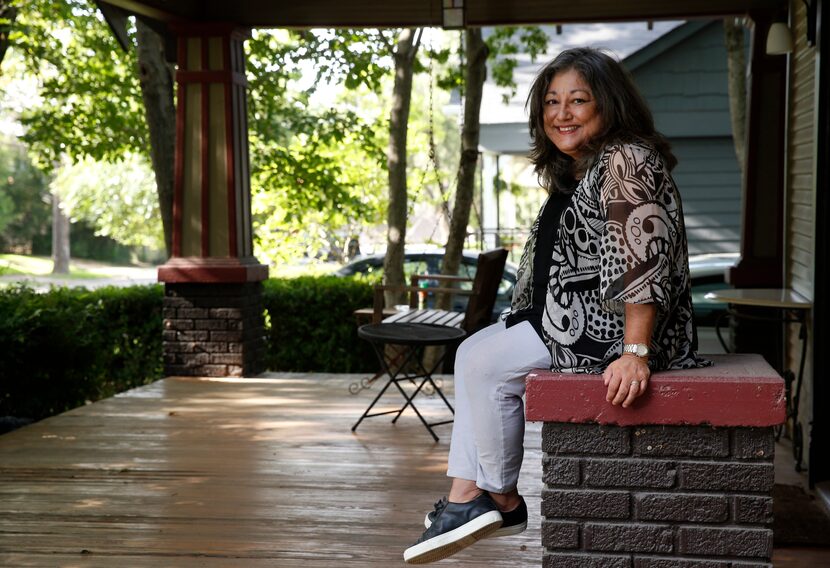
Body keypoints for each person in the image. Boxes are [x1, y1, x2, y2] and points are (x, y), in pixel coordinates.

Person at [402, 47, 710, 565]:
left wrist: (636, 349)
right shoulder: (581, 169)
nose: (561, 113)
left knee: (482, 362)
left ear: (608, 105)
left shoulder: (626, 159)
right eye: (551, 101)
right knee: (475, 349)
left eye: (578, 100)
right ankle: (468, 496)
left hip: (609, 331)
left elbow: (643, 253)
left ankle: (495, 498)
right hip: (572, 321)